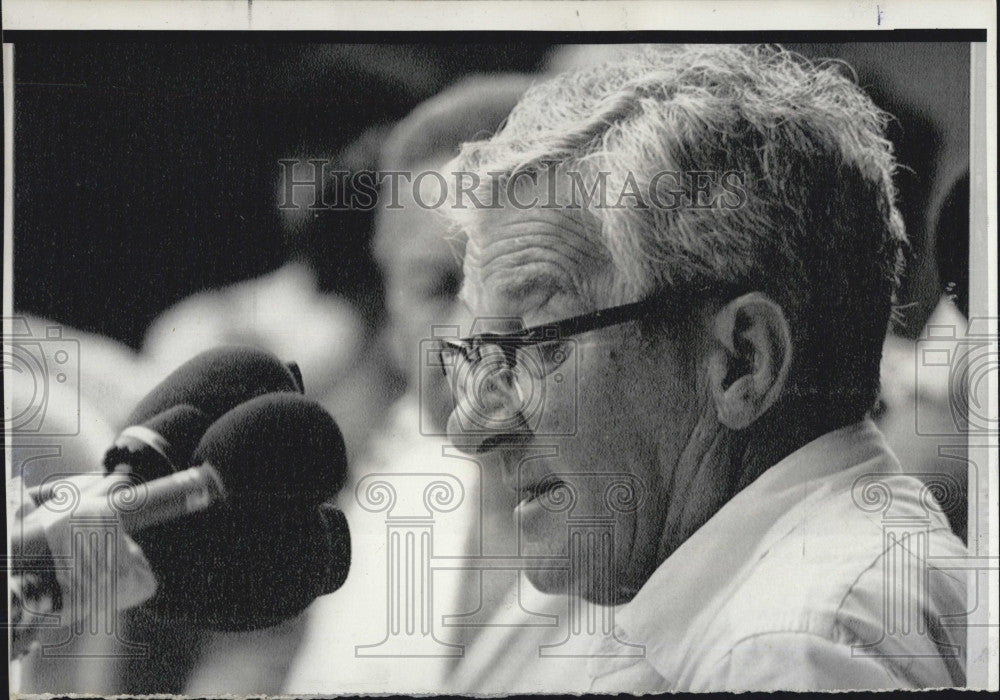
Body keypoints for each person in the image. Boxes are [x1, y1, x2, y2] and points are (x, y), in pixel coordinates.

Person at [437, 45, 967, 691]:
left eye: (539, 343)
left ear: (743, 361)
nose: (471, 426)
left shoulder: (783, 648)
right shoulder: (777, 602)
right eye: (482, 352)